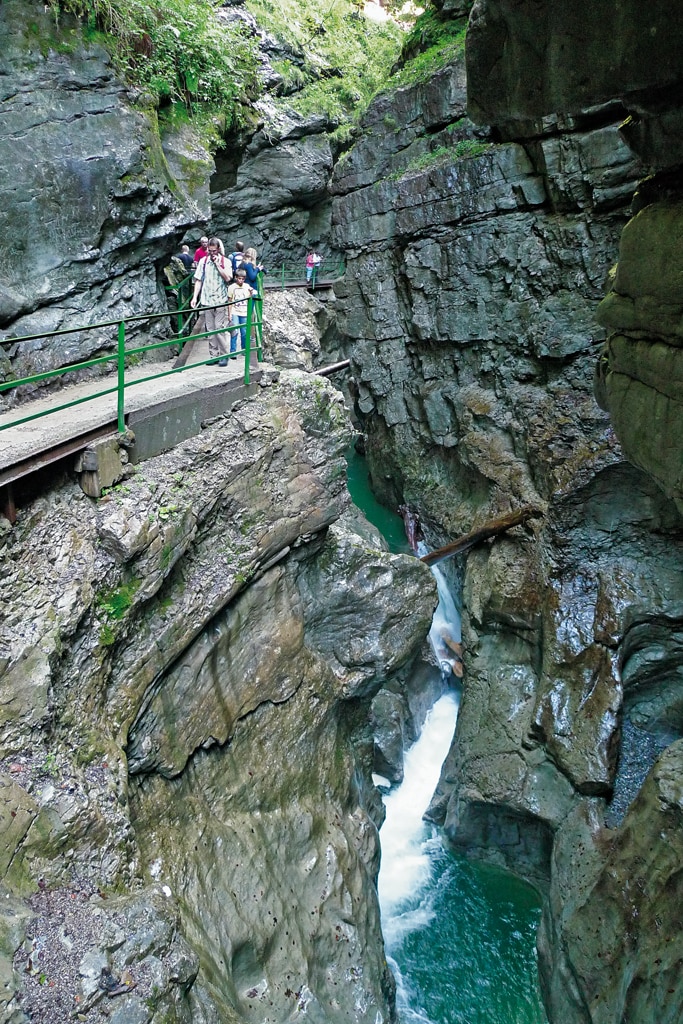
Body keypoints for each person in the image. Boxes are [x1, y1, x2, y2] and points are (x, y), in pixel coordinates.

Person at [190, 237, 233, 366]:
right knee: (210, 329)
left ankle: (224, 355)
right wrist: (194, 297)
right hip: (207, 300)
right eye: (210, 250)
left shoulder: (226, 261)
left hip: (220, 299)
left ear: (218, 249)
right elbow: (198, 280)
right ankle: (213, 355)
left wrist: (218, 264)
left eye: (214, 251)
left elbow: (228, 278)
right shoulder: (203, 262)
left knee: (219, 328)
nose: (212, 253)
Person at [227, 267, 258, 357]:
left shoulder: (247, 287)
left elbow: (250, 298)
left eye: (242, 279)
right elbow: (230, 301)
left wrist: (252, 293)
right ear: (236, 278)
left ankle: (244, 349)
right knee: (234, 331)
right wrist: (229, 314)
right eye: (239, 278)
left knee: (244, 332)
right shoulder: (231, 287)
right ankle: (233, 351)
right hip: (235, 311)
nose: (240, 280)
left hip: (244, 312)